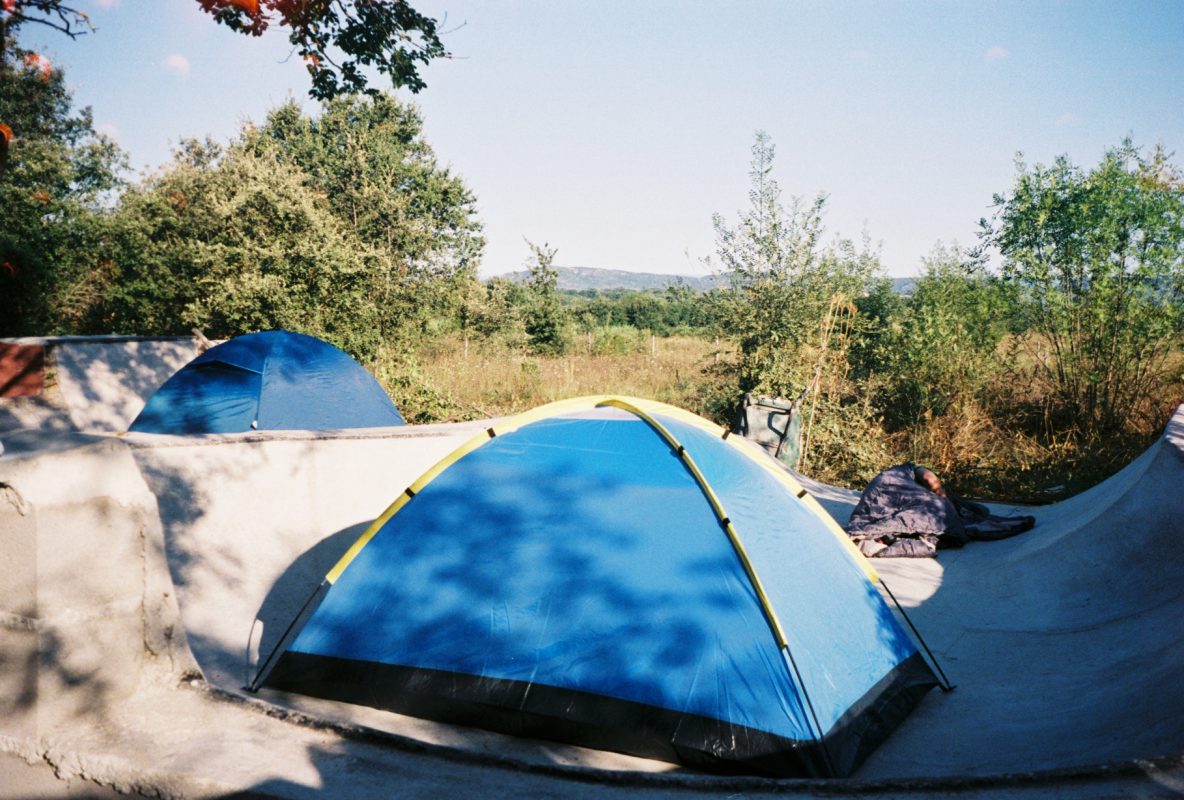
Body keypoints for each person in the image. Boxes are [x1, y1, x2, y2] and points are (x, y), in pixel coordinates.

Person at [844, 463, 1035, 558]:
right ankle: (879, 534)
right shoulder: (911, 469)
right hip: (893, 492)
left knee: (904, 514)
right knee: (937, 511)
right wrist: (946, 505)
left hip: (879, 495)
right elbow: (931, 481)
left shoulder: (893, 473)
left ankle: (876, 533)